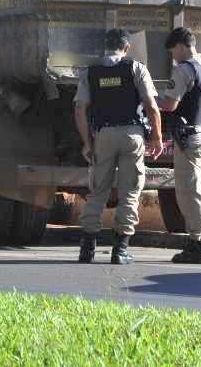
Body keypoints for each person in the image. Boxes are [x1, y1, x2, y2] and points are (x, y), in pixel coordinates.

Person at [74, 28, 163, 264]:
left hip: (103, 135)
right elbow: (152, 107)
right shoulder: (135, 68)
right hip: (132, 135)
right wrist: (157, 137)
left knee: (98, 191)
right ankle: (120, 250)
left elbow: (80, 110)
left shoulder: (90, 73)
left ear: (106, 47)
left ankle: (87, 249)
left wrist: (87, 143)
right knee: (130, 192)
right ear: (127, 48)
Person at [156, 27, 201, 264]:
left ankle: (199, 244)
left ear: (183, 46)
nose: (173, 56)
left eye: (173, 51)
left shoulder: (184, 70)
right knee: (197, 191)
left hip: (189, 140)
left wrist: (150, 101)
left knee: (188, 193)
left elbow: (170, 105)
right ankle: (197, 240)